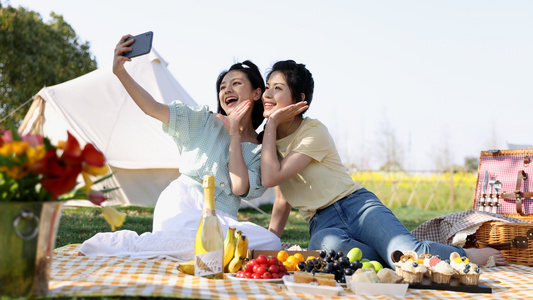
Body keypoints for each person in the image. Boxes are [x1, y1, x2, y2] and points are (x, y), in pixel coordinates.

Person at [259, 59, 508, 268]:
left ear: (299, 99)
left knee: (408, 251)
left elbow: (270, 177)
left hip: (357, 206)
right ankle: (394, 257)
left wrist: (270, 124)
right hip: (322, 223)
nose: (268, 94)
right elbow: (282, 197)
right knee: (326, 252)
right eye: (267, 87)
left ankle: (465, 255)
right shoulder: (270, 144)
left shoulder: (313, 131)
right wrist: (271, 240)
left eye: (277, 88)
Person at [79, 35, 281, 261]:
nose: (226, 91)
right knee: (204, 245)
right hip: (183, 205)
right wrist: (120, 73)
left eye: (235, 84)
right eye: (222, 87)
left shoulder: (259, 151)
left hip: (222, 219)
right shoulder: (203, 121)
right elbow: (151, 107)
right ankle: (120, 243)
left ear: (256, 93)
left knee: (271, 241)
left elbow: (239, 187)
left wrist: (234, 134)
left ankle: (172, 246)